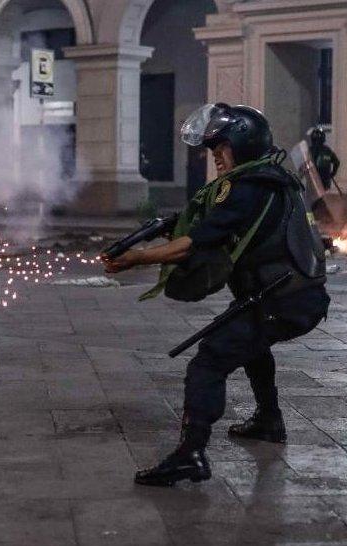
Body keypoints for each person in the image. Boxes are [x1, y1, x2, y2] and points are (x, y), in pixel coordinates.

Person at [103, 104, 329, 486]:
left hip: (281, 300)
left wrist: (136, 258)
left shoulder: (249, 188)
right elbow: (213, 221)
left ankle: (190, 454)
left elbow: (193, 244)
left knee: (207, 363)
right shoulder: (271, 177)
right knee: (252, 343)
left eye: (221, 149)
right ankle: (269, 420)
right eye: (212, 151)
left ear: (242, 145)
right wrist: (166, 228)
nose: (216, 158)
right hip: (298, 296)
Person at [309, 127, 340, 192]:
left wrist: (332, 173)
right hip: (321, 180)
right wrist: (332, 173)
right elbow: (337, 162)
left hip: (316, 180)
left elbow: (337, 162)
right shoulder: (327, 150)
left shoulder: (310, 150)